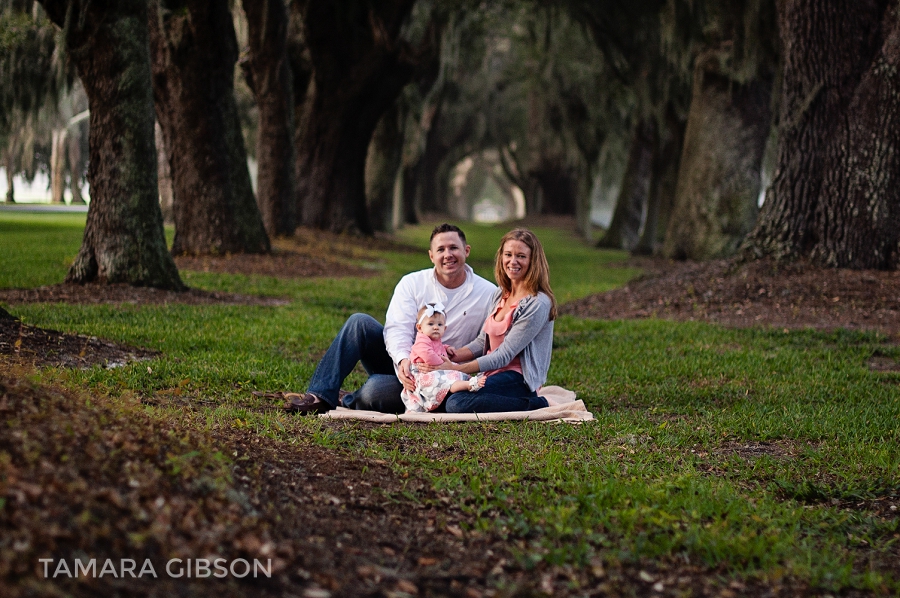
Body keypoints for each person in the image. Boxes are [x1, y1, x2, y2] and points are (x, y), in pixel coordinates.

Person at [285, 223, 496, 414]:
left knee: (373, 391)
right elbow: (397, 328)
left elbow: (487, 342)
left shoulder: (487, 293)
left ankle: (349, 399)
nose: (447, 255)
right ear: (431, 256)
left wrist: (456, 365)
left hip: (447, 379)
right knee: (359, 322)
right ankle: (319, 396)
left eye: (453, 248)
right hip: (406, 368)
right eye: (440, 250)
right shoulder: (412, 283)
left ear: (466, 251)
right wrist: (404, 360)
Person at [420, 228, 557, 413]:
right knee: (445, 395)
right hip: (491, 374)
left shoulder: (537, 303)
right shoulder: (500, 294)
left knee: (457, 403)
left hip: (518, 379)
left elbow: (504, 355)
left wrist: (457, 368)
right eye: (508, 254)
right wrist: (450, 356)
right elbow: (482, 341)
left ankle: (534, 404)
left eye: (521, 256)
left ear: (533, 260)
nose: (513, 261)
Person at [401, 302, 484, 412]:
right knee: (446, 380)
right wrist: (442, 364)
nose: (435, 327)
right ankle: (469, 384)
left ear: (444, 328)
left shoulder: (434, 340)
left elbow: (437, 347)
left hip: (435, 370)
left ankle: (470, 381)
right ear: (419, 328)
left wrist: (446, 348)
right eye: (430, 324)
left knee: (454, 373)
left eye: (439, 325)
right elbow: (428, 355)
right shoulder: (421, 341)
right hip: (423, 375)